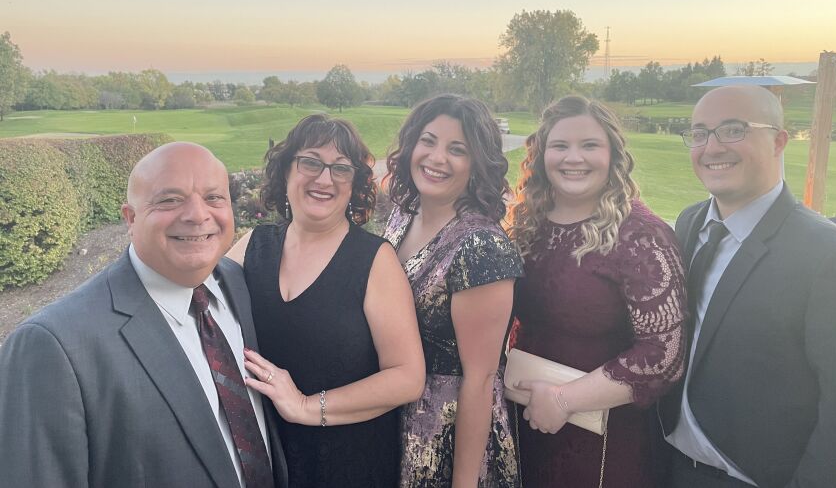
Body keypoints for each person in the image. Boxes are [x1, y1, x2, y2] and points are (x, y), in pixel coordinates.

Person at [0, 142, 288, 488]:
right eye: (170, 200)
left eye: (214, 198)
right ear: (131, 219)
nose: (198, 215)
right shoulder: (53, 345)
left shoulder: (237, 284)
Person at [226, 114, 425, 488]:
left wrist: (305, 406)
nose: (324, 178)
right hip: (266, 460)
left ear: (354, 187)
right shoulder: (251, 246)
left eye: (341, 169)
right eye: (310, 162)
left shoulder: (373, 260)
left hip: (347, 465)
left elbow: (407, 378)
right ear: (286, 171)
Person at [659, 85, 836, 487]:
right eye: (701, 133)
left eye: (733, 129)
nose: (712, 147)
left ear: (778, 141)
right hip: (669, 466)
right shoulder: (689, 224)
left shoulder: (826, 254)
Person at [506, 95, 688, 487]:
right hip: (525, 416)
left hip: (604, 435)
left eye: (589, 145)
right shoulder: (526, 222)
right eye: (560, 146)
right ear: (541, 155)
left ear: (613, 155)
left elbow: (663, 355)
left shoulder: (640, 235)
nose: (574, 158)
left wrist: (564, 400)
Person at [382, 94, 524, 488]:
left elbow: (480, 378)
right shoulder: (401, 216)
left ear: (477, 164)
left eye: (456, 149)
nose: (436, 157)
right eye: (428, 141)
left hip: (447, 437)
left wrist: (463, 483)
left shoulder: (482, 248)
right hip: (393, 415)